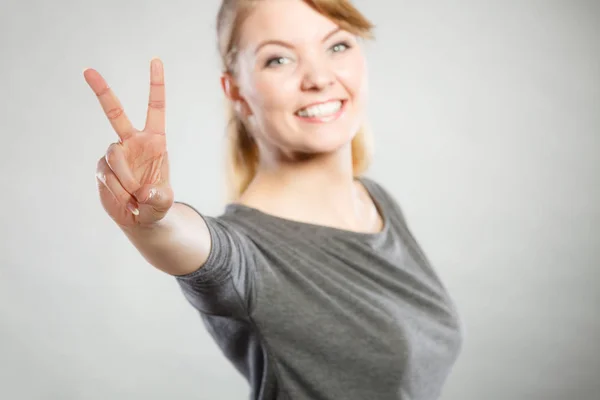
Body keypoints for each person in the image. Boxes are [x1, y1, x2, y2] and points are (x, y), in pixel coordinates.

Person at [85, 0, 464, 398]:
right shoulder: (247, 257)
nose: (319, 77)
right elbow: (199, 248)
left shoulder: (375, 200)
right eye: (279, 60)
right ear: (237, 91)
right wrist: (151, 222)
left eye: (337, 46)